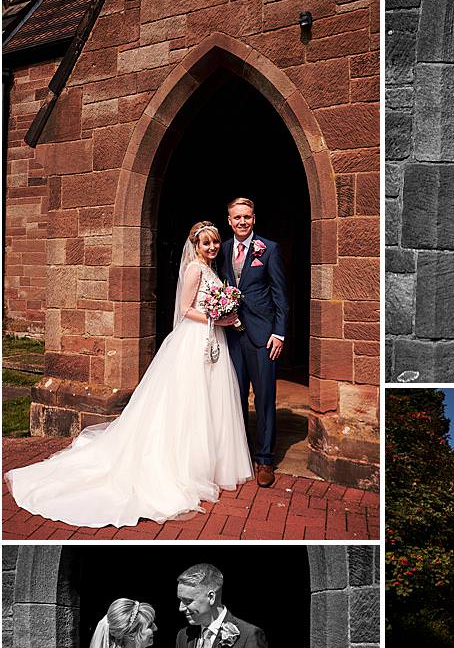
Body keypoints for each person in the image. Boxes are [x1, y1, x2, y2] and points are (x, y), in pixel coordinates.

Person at [5, 222, 254, 527]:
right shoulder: (194, 270)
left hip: (211, 340)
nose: (213, 247)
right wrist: (217, 319)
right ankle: (184, 466)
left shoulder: (211, 270)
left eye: (215, 242)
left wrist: (221, 316)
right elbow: (185, 309)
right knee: (190, 401)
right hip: (195, 339)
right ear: (196, 245)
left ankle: (210, 465)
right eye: (206, 244)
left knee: (211, 400)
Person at [219, 198, 288, 488]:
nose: (242, 222)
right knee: (233, 397)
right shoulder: (221, 249)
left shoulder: (269, 249)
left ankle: (264, 460)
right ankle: (240, 453)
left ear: (254, 218)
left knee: (264, 399)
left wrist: (279, 333)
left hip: (263, 337)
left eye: (247, 217)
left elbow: (280, 294)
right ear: (229, 220)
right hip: (231, 336)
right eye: (237, 217)